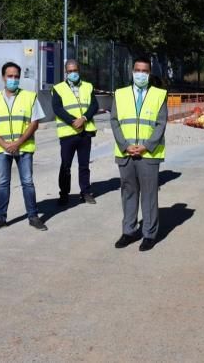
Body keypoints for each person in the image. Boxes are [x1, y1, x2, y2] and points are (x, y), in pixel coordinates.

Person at [111, 57, 167, 252]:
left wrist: (146, 146)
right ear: (132, 71)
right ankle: (128, 231)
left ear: (149, 74)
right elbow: (114, 121)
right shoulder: (120, 94)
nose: (140, 74)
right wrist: (125, 145)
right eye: (138, 70)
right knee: (128, 192)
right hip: (125, 152)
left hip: (148, 154)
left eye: (144, 71)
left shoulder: (159, 95)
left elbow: (161, 123)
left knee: (149, 194)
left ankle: (149, 234)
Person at [0, 62, 46, 232]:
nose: (13, 79)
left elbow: (34, 123)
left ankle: (33, 216)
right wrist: (4, 144)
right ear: (3, 77)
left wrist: (18, 143)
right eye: (10, 76)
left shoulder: (29, 96)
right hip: (1, 149)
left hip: (23, 148)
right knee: (3, 183)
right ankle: (0, 217)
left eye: (16, 76)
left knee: (27, 182)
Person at [52, 59, 99, 206]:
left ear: (79, 70)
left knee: (84, 165)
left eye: (75, 70)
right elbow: (57, 108)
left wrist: (84, 118)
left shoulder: (88, 86)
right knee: (65, 165)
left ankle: (85, 192)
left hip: (85, 132)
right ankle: (64, 194)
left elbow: (94, 105)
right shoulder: (58, 88)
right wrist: (73, 121)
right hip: (68, 133)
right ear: (66, 72)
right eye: (70, 71)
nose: (73, 73)